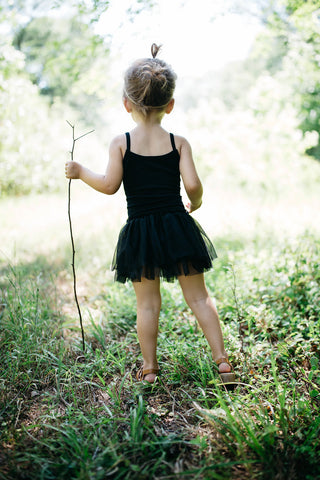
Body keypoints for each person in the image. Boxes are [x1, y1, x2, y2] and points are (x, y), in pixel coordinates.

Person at [65, 44, 235, 386]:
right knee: (200, 297)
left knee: (147, 306)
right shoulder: (178, 142)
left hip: (140, 232)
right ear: (170, 105)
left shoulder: (121, 143)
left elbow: (111, 185)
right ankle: (223, 363)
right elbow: (194, 184)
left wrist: (82, 171)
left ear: (127, 104)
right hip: (177, 226)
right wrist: (196, 203)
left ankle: (150, 369)